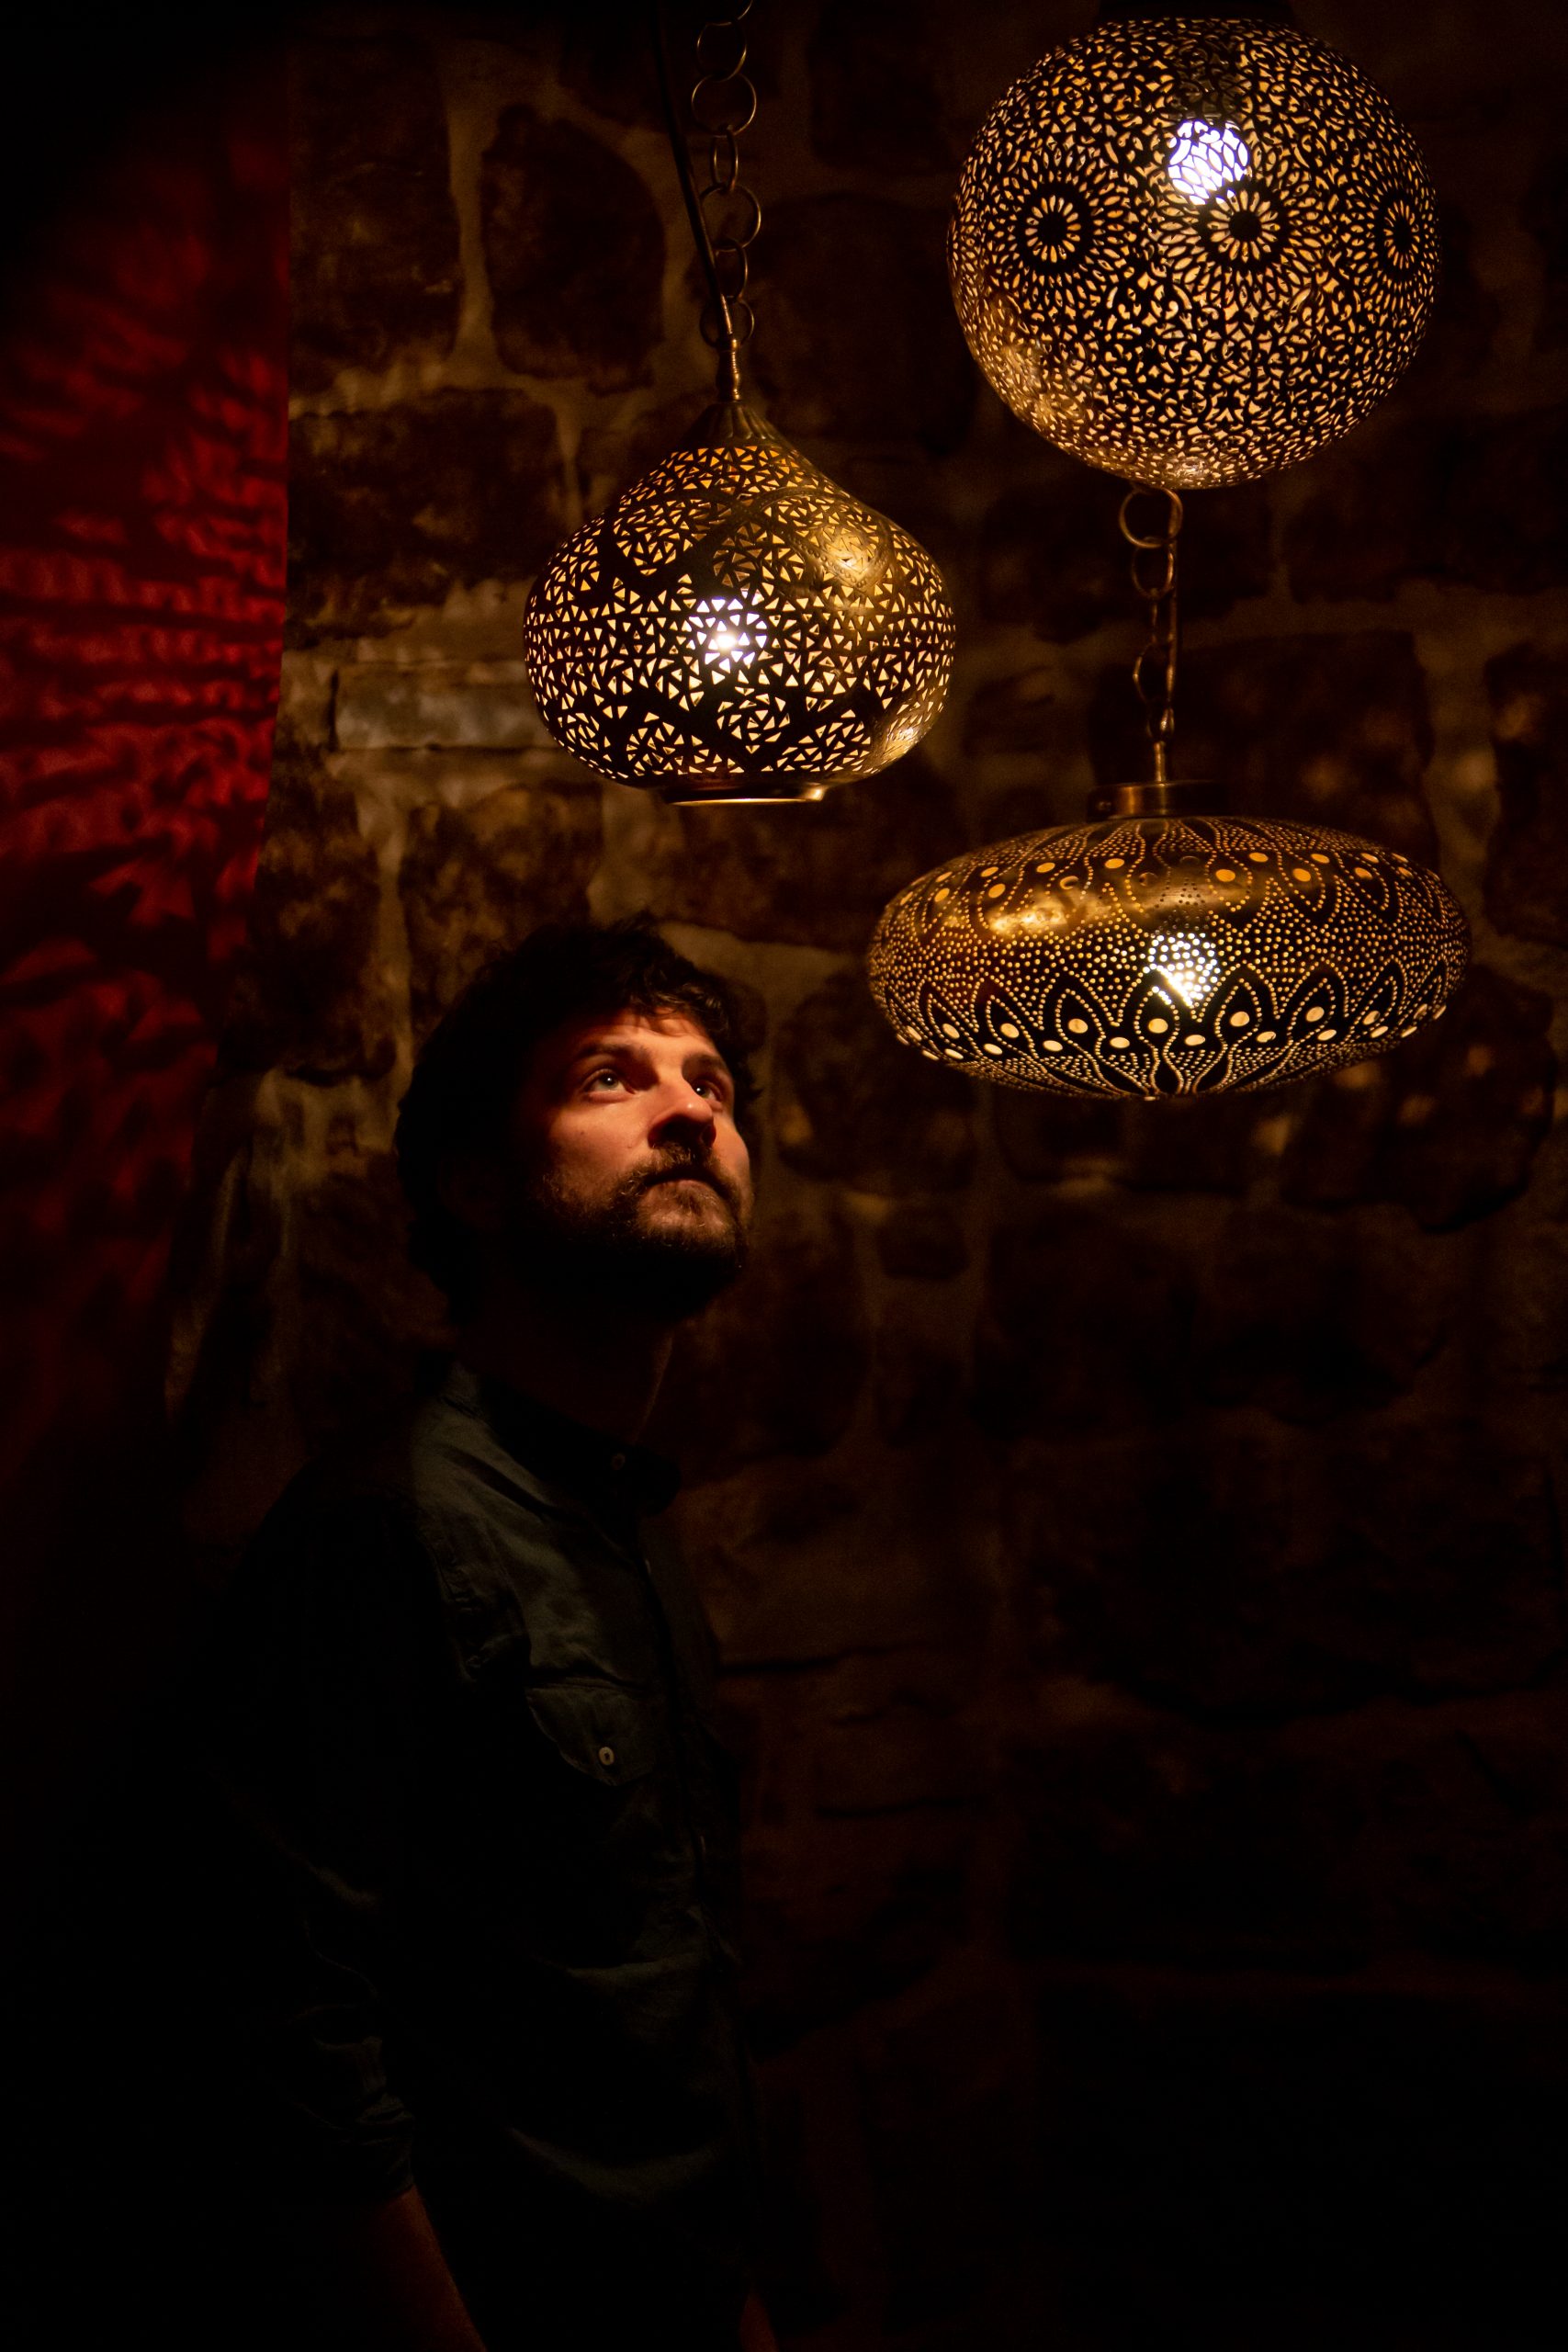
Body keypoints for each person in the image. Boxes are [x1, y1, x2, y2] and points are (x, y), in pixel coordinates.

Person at [186, 918, 776, 2352]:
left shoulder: (626, 1521)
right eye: (609, 1077)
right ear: (476, 1184)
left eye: (710, 1083)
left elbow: (658, 1993)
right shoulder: (389, 1526)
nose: (690, 1110)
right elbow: (285, 2036)